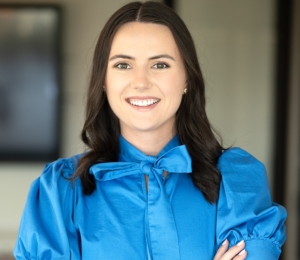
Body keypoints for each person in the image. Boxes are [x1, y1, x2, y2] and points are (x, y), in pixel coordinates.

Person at [14, 1, 286, 259]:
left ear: (187, 79)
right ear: (104, 81)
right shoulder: (60, 191)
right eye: (123, 65)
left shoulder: (235, 181)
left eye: (160, 64)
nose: (140, 82)